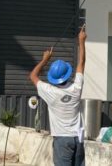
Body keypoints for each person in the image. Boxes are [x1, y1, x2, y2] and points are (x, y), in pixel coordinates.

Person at [30, 26, 87, 166]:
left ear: (53, 78)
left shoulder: (50, 92)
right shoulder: (76, 88)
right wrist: (81, 41)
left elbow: (33, 76)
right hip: (78, 138)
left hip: (62, 139)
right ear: (67, 74)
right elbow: (81, 63)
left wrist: (45, 59)